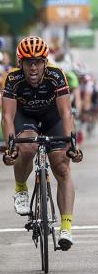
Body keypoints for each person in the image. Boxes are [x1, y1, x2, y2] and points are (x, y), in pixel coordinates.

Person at [1, 36, 83, 250]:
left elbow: (66, 112)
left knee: (62, 166)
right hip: (25, 117)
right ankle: (20, 188)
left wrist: (72, 143)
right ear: (21, 64)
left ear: (46, 62)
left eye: (38, 61)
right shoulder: (12, 79)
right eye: (29, 62)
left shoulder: (57, 75)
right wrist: (11, 147)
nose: (34, 67)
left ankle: (66, 227)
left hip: (52, 118)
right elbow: (8, 117)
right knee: (27, 146)